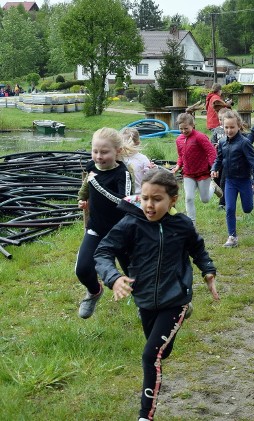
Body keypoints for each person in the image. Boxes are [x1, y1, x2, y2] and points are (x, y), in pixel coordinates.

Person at [94, 168, 219, 421]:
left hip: (175, 298)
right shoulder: (131, 223)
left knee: (151, 356)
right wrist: (114, 277)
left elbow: (198, 248)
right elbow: (103, 251)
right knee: (163, 351)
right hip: (145, 299)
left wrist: (208, 271)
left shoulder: (182, 225)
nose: (149, 205)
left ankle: (145, 416)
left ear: (172, 200)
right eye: (145, 198)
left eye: (157, 199)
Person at [75, 128, 133, 319]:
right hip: (96, 229)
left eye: (104, 152)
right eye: (95, 151)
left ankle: (145, 304)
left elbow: (124, 202)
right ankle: (94, 291)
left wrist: (98, 186)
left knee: (134, 273)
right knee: (82, 268)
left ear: (117, 151)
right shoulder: (92, 167)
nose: (99, 156)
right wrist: (82, 198)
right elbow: (86, 185)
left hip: (121, 232)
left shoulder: (122, 173)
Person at [213, 110, 254, 247]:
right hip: (230, 181)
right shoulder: (222, 142)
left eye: (232, 127)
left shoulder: (244, 143)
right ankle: (232, 237)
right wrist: (214, 169)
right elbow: (219, 158)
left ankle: (252, 191)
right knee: (229, 209)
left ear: (239, 126)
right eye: (226, 127)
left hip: (244, 180)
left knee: (247, 209)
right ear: (222, 126)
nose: (229, 130)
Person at [172, 113, 221, 223]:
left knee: (205, 199)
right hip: (188, 174)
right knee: (189, 198)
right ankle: (191, 224)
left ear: (192, 125)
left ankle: (212, 187)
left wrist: (214, 167)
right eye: (181, 129)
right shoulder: (179, 140)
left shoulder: (200, 137)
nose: (184, 131)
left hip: (203, 172)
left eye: (186, 128)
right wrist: (177, 166)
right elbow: (181, 156)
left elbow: (211, 152)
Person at [120, 128, 152, 194]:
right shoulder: (120, 158)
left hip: (139, 194)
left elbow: (149, 178)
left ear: (137, 143)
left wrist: (152, 170)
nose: (124, 148)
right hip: (123, 193)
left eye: (127, 145)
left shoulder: (142, 159)